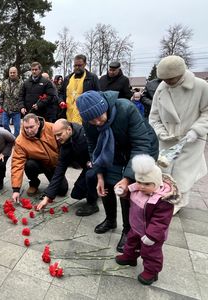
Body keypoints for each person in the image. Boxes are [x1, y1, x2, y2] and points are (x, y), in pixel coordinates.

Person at [76, 90, 158, 252]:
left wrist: (127, 178)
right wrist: (99, 175)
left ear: (104, 106)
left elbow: (141, 144)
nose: (97, 122)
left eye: (99, 116)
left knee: (125, 189)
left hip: (142, 148)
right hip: (113, 150)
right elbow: (94, 148)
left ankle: (128, 230)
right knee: (106, 181)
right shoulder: (89, 122)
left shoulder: (126, 109)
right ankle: (110, 219)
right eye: (91, 120)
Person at [149, 55, 208, 214]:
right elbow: (154, 116)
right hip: (168, 139)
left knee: (183, 172)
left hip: (191, 139)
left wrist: (197, 130)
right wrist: (161, 132)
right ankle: (166, 196)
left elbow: (207, 112)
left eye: (170, 79)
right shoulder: (161, 88)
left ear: (181, 73)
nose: (166, 82)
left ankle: (179, 200)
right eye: (164, 79)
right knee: (164, 171)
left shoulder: (200, 86)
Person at [115, 154, 179, 285]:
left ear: (157, 182)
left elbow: (161, 221)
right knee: (131, 243)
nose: (142, 186)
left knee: (151, 253)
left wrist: (152, 236)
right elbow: (130, 197)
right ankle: (130, 257)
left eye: (147, 184)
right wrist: (123, 192)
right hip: (136, 227)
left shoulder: (163, 200)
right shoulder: (138, 189)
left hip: (152, 235)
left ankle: (151, 271)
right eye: (139, 182)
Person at [36, 119, 99, 216]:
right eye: (55, 135)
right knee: (76, 194)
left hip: (99, 164)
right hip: (87, 166)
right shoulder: (65, 144)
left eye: (59, 134)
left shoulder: (85, 134)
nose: (57, 138)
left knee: (90, 175)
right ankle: (96, 189)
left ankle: (92, 204)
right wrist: (47, 197)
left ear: (69, 129)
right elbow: (59, 171)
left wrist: (93, 161)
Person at [11, 113, 69, 202]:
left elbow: (65, 144)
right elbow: (17, 164)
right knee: (29, 164)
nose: (29, 131)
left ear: (38, 123)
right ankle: (34, 183)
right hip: (39, 164)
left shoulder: (51, 128)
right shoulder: (20, 141)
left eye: (31, 127)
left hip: (55, 165)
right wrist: (16, 189)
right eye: (26, 128)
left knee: (62, 190)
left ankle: (53, 179)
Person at [59, 54, 100, 124]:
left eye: (79, 65)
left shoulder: (92, 78)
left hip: (85, 115)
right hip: (68, 114)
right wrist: (61, 101)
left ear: (84, 65)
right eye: (75, 65)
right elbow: (61, 93)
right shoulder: (67, 78)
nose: (77, 67)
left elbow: (98, 94)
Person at [0, 66, 23, 137]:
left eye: (14, 72)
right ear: (9, 73)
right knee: (4, 124)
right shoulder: (5, 82)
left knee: (17, 128)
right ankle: (10, 137)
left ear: (17, 73)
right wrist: (1, 105)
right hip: (6, 109)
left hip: (16, 110)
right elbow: (2, 94)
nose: (12, 74)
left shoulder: (21, 83)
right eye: (11, 73)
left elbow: (23, 96)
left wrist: (22, 106)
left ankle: (15, 141)